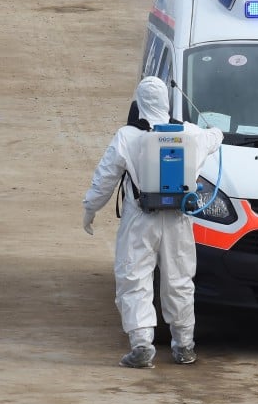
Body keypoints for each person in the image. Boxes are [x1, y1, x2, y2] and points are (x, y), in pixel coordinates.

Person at [82, 76, 223, 368]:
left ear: (140, 102)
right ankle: (184, 344)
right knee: (180, 281)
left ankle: (142, 343)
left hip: (140, 219)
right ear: (166, 102)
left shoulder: (127, 136)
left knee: (134, 279)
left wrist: (90, 209)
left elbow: (105, 178)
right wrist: (216, 131)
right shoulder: (190, 133)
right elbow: (215, 138)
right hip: (179, 220)